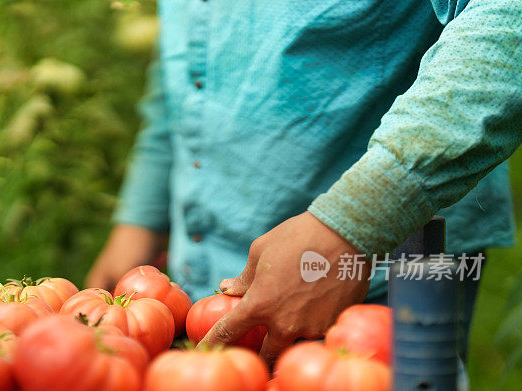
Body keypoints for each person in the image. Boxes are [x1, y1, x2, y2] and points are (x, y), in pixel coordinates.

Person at [86, 0, 521, 362]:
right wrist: (140, 221)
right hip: (193, 284)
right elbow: (188, 63)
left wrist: (354, 225)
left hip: (379, 270)